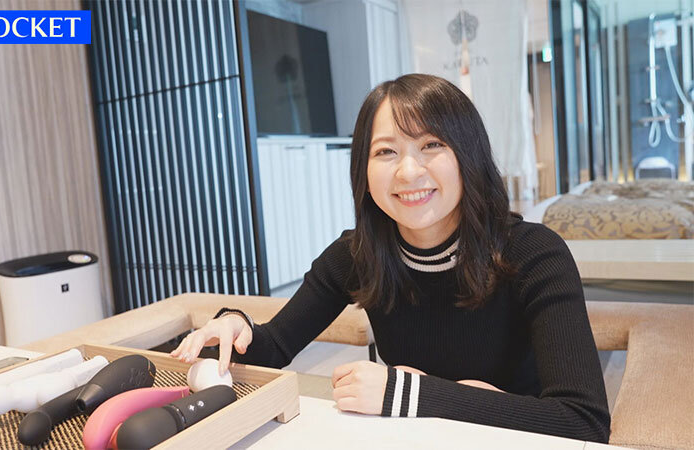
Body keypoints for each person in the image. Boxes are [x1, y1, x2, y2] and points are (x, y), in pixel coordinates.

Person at [171, 74, 610, 443]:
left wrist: (410, 393)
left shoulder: (534, 253)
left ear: (468, 154)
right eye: (386, 151)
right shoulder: (357, 255)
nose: (409, 171)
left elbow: (583, 421)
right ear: (363, 169)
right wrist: (236, 327)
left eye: (432, 144)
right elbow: (274, 347)